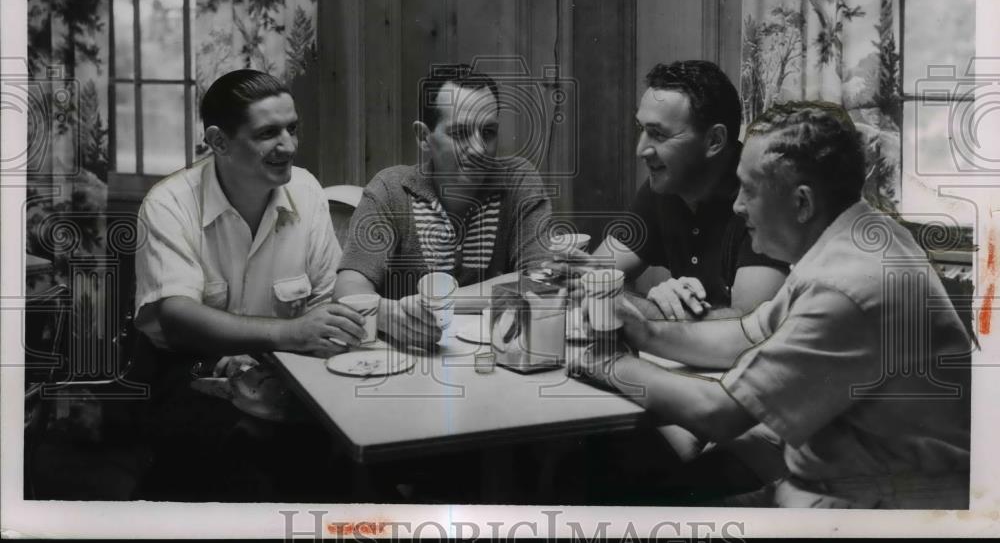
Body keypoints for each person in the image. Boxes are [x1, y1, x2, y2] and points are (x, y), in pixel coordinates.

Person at [573, 102, 971, 508]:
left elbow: (721, 413)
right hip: (839, 470)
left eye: (749, 190)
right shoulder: (862, 235)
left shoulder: (846, 286)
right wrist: (642, 328)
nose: (737, 206)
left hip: (878, 509)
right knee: (642, 485)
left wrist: (599, 363)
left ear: (802, 203)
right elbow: (747, 334)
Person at [133, 69, 365, 500]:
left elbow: (324, 298)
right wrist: (290, 333)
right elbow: (178, 317)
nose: (289, 146)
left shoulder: (307, 191)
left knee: (340, 454)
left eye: (292, 129)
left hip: (283, 364)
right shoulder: (168, 203)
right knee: (244, 464)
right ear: (219, 142)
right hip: (187, 370)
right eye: (268, 133)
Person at [333, 63, 553, 349]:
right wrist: (387, 315)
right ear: (424, 137)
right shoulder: (391, 190)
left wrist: (440, 301)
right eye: (460, 133)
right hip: (408, 363)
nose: (478, 149)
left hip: (496, 362)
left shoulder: (518, 180)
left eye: (488, 132)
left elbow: (544, 281)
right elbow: (347, 290)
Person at [559, 60, 787, 321]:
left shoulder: (759, 196)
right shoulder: (666, 185)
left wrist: (630, 305)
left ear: (714, 141)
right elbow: (591, 279)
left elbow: (746, 329)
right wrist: (585, 281)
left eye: (658, 134)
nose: (640, 150)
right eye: (641, 130)